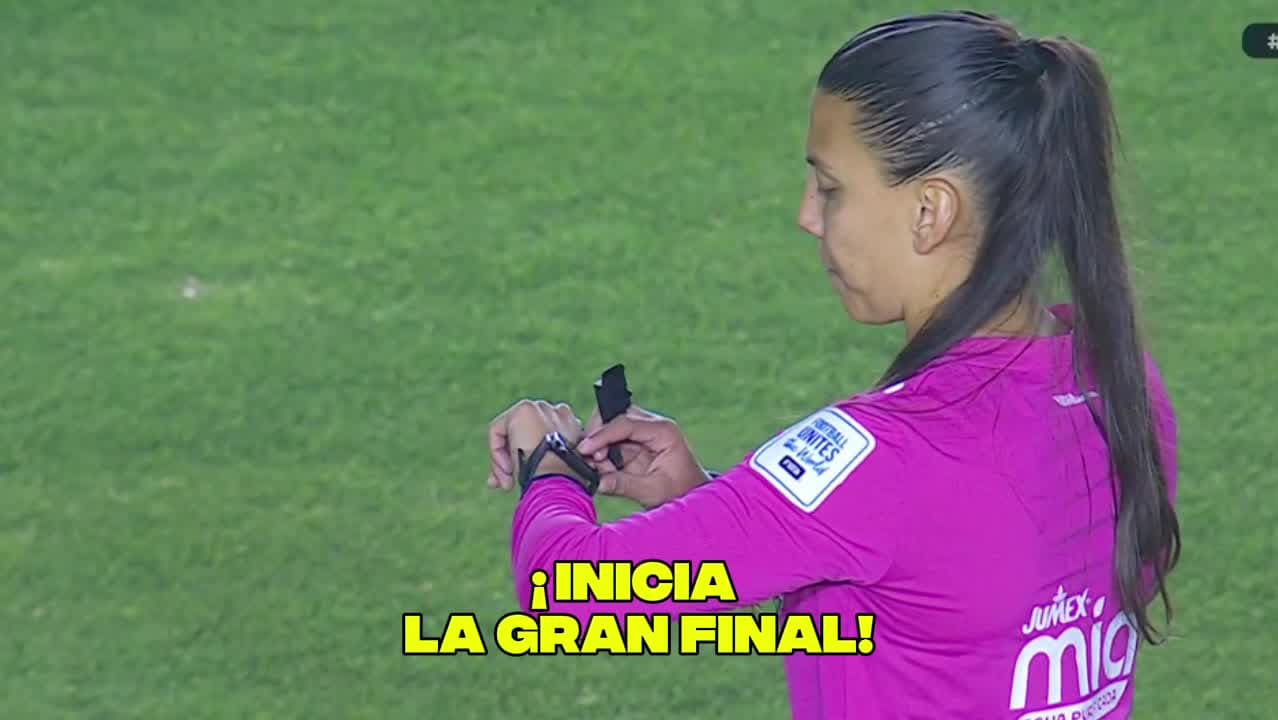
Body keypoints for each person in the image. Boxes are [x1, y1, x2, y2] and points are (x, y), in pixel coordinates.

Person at [485, 10, 1180, 719]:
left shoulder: (890, 456)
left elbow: (565, 589)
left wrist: (552, 466)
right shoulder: (1120, 384)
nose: (807, 217)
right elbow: (932, 592)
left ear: (930, 212)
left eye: (830, 188)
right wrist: (703, 497)